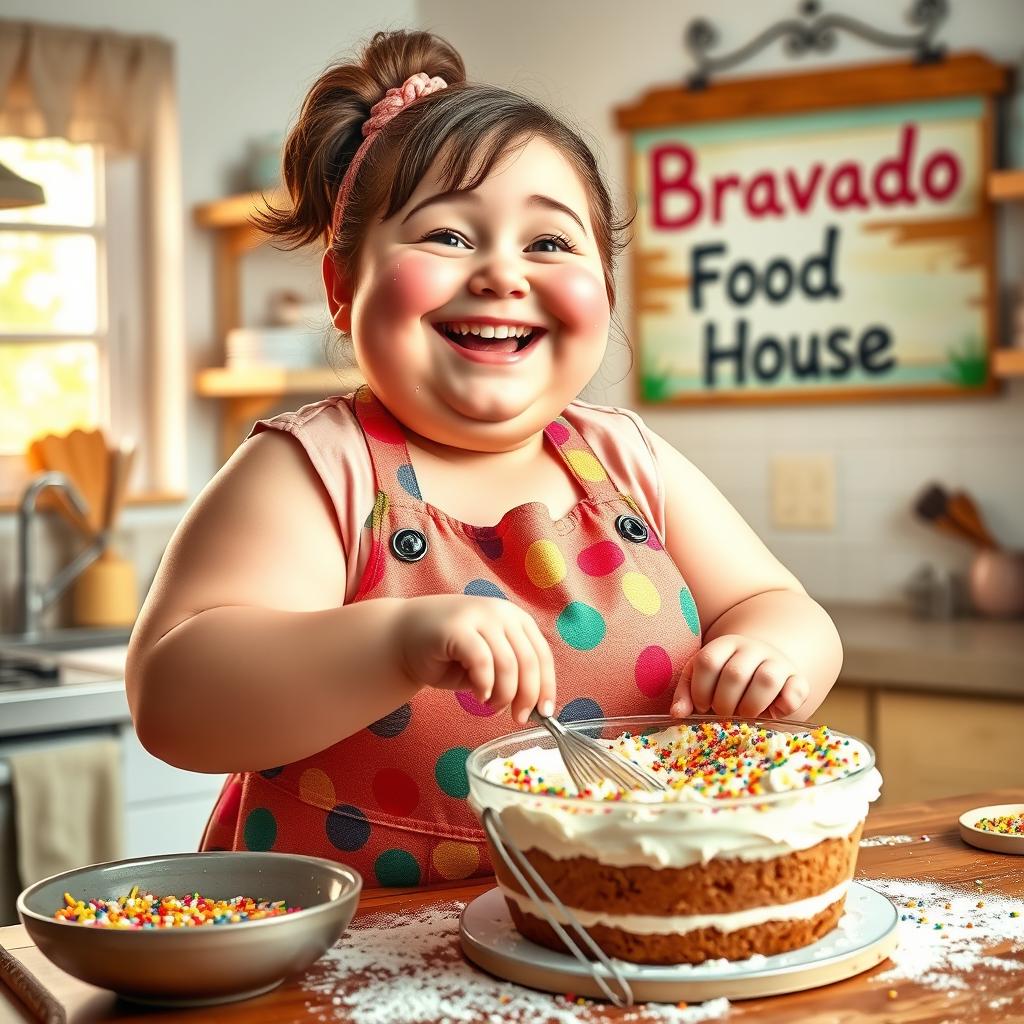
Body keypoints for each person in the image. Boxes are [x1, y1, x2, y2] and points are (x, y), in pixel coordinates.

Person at [125, 29, 843, 886]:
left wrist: (772, 652)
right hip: (348, 968)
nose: (504, 273)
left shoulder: (627, 460)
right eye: (449, 237)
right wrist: (392, 643)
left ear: (605, 293)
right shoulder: (316, 470)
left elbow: (779, 605)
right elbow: (176, 705)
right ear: (343, 285)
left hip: (602, 937)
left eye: (549, 243)